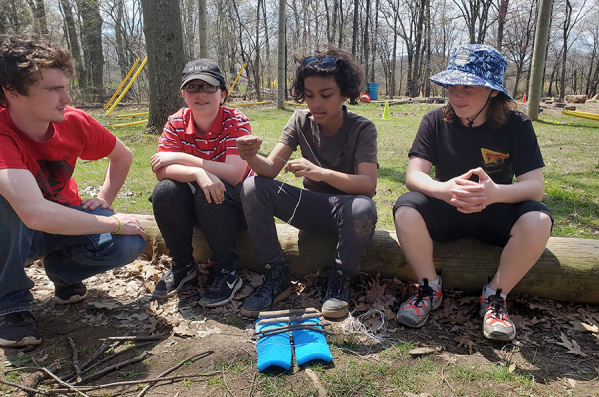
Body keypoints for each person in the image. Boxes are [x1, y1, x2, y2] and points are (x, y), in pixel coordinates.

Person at [393, 44, 553, 341]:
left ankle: (495, 296)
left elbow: (535, 187)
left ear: (493, 91)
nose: (457, 94)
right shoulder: (434, 120)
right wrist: (443, 190)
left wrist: (493, 194)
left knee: (539, 219)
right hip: (446, 208)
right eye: (453, 85)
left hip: (496, 211)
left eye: (470, 86)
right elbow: (414, 175)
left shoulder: (517, 124)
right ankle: (429, 287)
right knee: (406, 208)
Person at [0, 32, 146, 348]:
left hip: (58, 220)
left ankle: (64, 273)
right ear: (12, 91)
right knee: (6, 201)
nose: (67, 99)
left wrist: (104, 201)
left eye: (65, 87)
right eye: (54, 90)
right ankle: (10, 305)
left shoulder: (74, 121)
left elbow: (123, 155)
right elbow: (33, 212)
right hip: (12, 232)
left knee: (130, 240)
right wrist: (113, 220)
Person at [236, 47, 378, 319]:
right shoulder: (300, 121)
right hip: (308, 209)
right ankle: (275, 276)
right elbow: (269, 170)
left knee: (363, 208)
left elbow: (367, 186)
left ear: (345, 94)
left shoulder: (363, 128)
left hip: (347, 209)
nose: (316, 104)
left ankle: (340, 280)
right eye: (310, 95)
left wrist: (319, 172)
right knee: (253, 186)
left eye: (326, 95)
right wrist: (251, 156)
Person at [150, 58, 253, 307]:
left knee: (212, 190)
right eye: (193, 87)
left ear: (223, 94)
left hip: (237, 208)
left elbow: (234, 174)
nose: (201, 94)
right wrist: (199, 174)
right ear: (184, 94)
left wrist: (185, 158)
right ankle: (183, 266)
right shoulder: (176, 121)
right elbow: (162, 171)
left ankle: (228, 272)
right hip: (198, 205)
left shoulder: (235, 121)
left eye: (209, 87)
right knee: (165, 191)